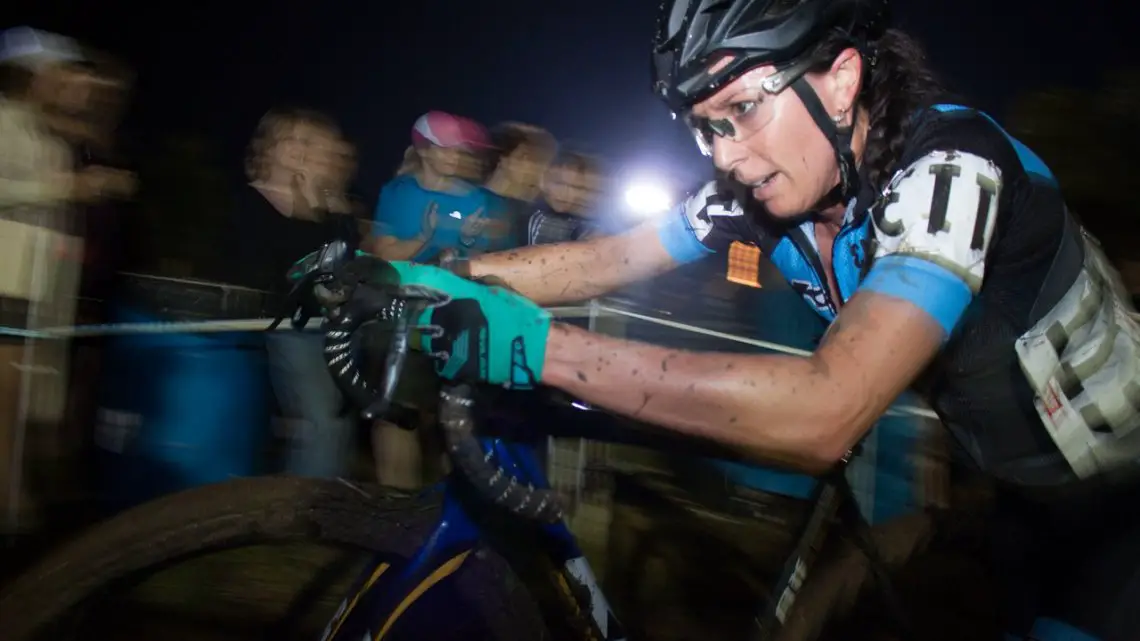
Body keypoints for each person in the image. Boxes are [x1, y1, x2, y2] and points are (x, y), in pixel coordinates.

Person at [378, 1, 1140, 639]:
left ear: (841, 81)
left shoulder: (952, 170)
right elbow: (605, 261)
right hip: (1012, 487)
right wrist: (406, 276)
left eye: (742, 109)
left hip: (1117, 508)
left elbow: (827, 408)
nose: (725, 154)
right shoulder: (766, 184)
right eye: (703, 127)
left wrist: (536, 346)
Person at [229, 107, 363, 479]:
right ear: (268, 146)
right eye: (294, 139)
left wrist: (324, 206)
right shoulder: (249, 199)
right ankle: (303, 509)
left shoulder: (329, 207)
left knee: (336, 422)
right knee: (319, 423)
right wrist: (307, 202)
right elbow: (278, 266)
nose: (302, 150)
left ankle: (324, 501)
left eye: (311, 142)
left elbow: (343, 260)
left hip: (331, 328)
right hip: (285, 327)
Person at [367, 111, 510, 262]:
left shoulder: (476, 199)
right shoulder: (398, 192)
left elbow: (479, 262)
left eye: (458, 150)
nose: (455, 157)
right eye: (445, 149)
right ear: (423, 150)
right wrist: (422, 238)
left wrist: (467, 239)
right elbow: (384, 256)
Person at [527, 150, 606, 246]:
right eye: (558, 183)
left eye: (574, 186)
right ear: (544, 182)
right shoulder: (527, 214)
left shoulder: (589, 224)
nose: (565, 193)